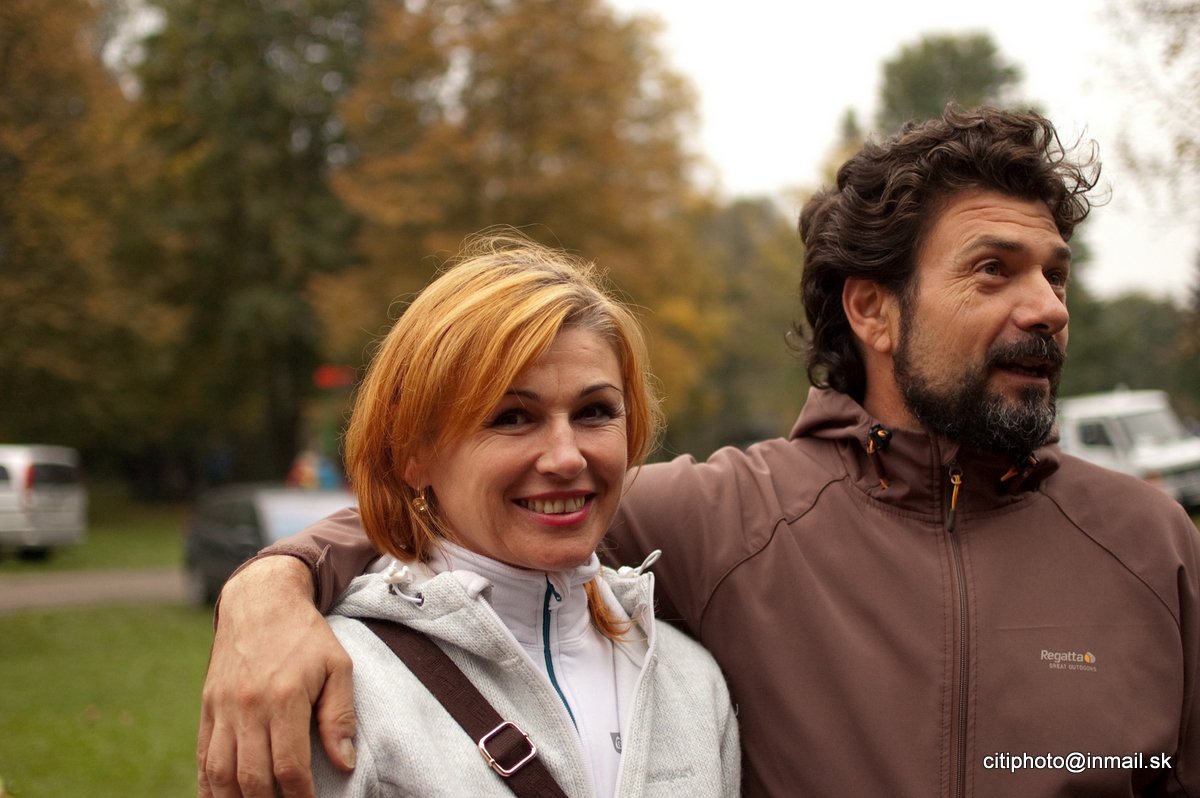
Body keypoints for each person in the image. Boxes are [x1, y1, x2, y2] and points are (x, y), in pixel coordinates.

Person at [199, 107, 1200, 797]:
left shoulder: (1152, 544)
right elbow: (468, 509)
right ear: (872, 309)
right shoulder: (724, 522)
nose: (1047, 308)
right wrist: (271, 586)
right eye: (994, 271)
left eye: (1056, 274)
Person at [212, 233, 740, 797]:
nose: (566, 458)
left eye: (594, 411)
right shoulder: (337, 683)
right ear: (414, 454)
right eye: (511, 417)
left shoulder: (690, 680)